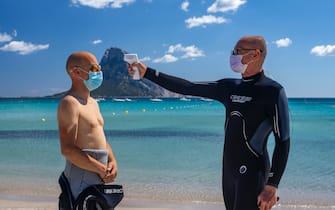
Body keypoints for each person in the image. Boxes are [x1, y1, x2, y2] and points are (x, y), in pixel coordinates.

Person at [127, 36, 290, 210]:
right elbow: (188, 87)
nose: (233, 55)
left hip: (252, 173)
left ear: (256, 54)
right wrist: (147, 72)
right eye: (232, 52)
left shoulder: (273, 91)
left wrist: (272, 184)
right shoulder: (229, 87)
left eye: (238, 51)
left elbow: (283, 140)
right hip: (229, 173)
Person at [57, 52, 118, 201]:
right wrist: (101, 169)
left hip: (98, 174)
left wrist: (112, 161)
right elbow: (68, 149)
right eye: (94, 69)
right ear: (77, 72)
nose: (99, 73)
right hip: (82, 177)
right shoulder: (70, 103)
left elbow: (100, 138)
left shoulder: (93, 103)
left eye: (99, 69)